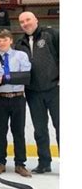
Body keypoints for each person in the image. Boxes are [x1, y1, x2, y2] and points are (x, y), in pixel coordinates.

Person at [15, 11, 59, 174]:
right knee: (40, 129)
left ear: (36, 20)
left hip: (55, 89)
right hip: (33, 92)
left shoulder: (51, 34)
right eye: (21, 21)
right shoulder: (19, 43)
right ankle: (44, 162)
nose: (25, 23)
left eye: (28, 20)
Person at [0, 29, 32, 177]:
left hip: (18, 98)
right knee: (0, 132)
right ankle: (0, 163)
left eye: (4, 39)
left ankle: (20, 164)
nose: (1, 43)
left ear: (11, 40)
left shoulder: (21, 55)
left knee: (18, 132)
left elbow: (25, 76)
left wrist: (6, 78)